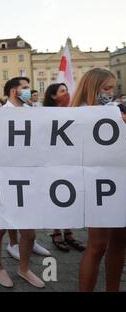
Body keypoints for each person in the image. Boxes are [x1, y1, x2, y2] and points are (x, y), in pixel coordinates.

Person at [0, 77, 49, 289]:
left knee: (29, 232)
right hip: (3, 178)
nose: (29, 91)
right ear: (13, 91)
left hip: (28, 178)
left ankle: (23, 268)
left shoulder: (35, 114)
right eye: (24, 88)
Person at [73, 68, 126, 292]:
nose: (110, 93)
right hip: (96, 185)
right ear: (91, 87)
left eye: (112, 89)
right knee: (97, 245)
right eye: (106, 88)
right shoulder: (76, 114)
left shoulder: (117, 111)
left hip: (121, 181)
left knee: (120, 243)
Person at [43, 83, 86, 253]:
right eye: (62, 91)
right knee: (56, 196)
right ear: (53, 96)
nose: (66, 93)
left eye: (67, 90)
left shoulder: (73, 111)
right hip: (53, 162)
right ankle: (56, 233)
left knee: (70, 196)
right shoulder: (45, 114)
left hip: (72, 160)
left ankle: (68, 231)